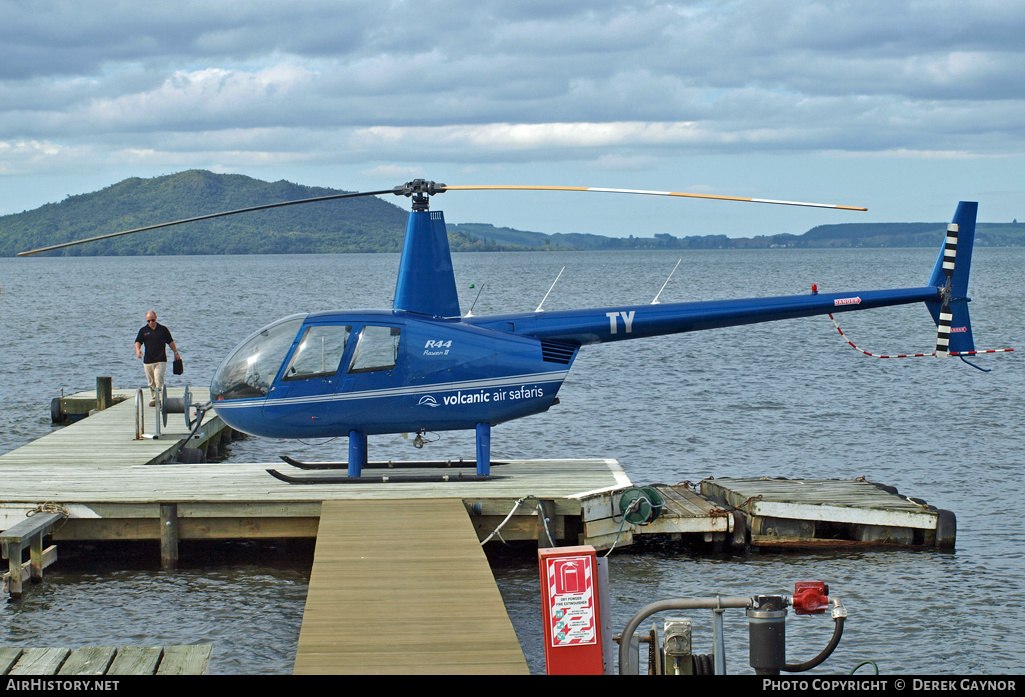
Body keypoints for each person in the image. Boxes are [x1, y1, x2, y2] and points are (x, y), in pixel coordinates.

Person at [134, 311, 180, 406]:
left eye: (152, 320)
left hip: (161, 359)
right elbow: (138, 341)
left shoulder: (163, 330)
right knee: (151, 382)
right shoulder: (143, 330)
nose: (151, 322)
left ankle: (160, 399)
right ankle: (153, 398)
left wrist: (176, 352)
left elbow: (170, 342)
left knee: (158, 379)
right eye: (148, 321)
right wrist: (138, 350)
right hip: (148, 360)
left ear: (156, 318)